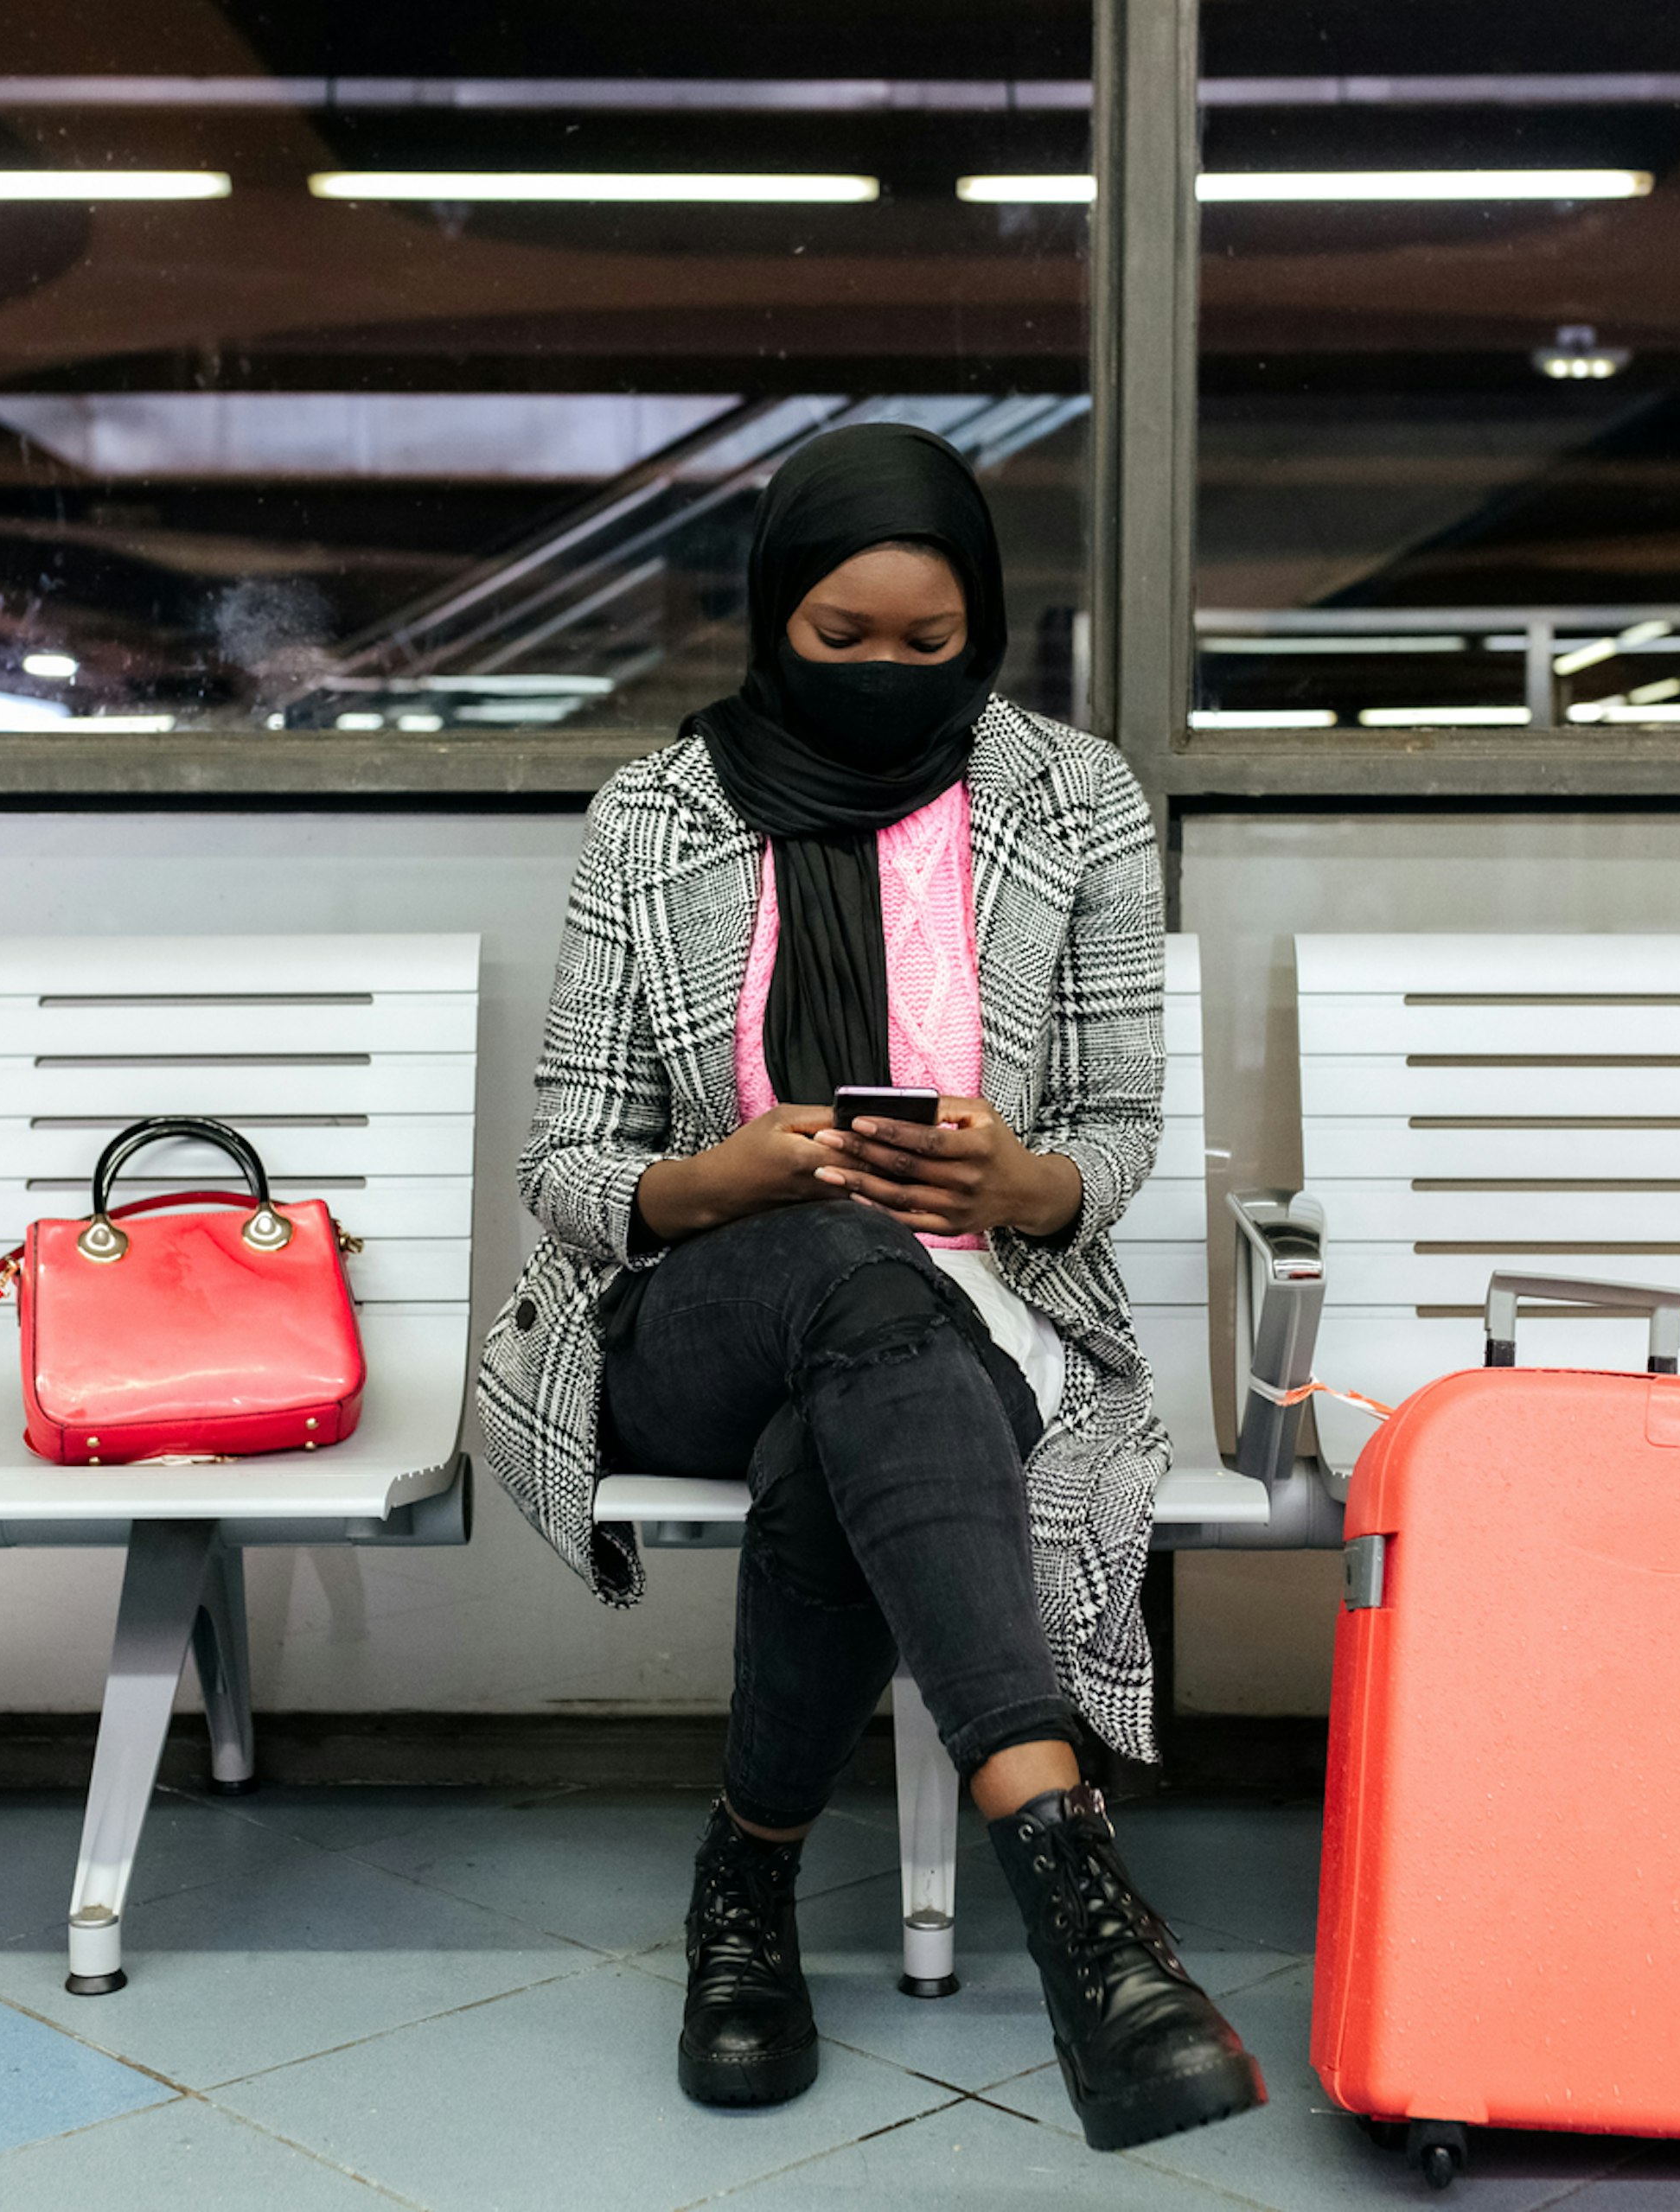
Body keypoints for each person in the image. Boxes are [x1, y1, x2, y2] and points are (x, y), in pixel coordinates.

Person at [476, 422, 1265, 2152]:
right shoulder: (653, 815)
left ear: (983, 624)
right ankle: (1079, 1887)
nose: (890, 677)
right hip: (690, 1311)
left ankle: (747, 1882)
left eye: (933, 647)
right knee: (841, 1252)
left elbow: (1123, 1121)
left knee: (860, 1391)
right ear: (774, 618)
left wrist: (1027, 1180)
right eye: (846, 643)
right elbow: (564, 1165)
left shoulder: (1077, 797)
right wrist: (725, 1176)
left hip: (979, 1314)